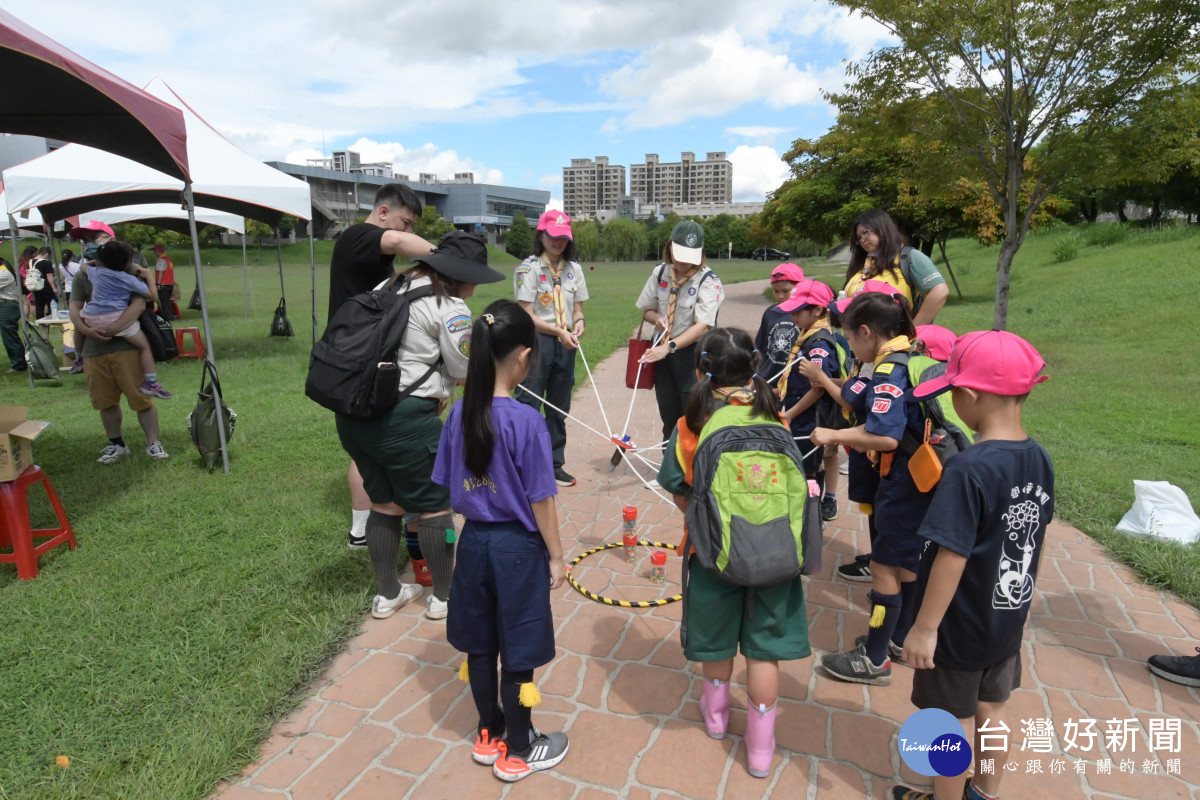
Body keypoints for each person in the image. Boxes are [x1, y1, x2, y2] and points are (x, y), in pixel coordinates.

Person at [890, 329, 1053, 800]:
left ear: (970, 395)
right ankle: (983, 793)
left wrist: (924, 628)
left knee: (945, 721)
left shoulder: (969, 468)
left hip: (958, 625)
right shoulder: (1038, 458)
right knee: (992, 709)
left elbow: (953, 553)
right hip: (1006, 618)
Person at [656, 327, 811, 780]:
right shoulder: (776, 420)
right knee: (763, 652)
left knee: (718, 639)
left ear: (702, 370)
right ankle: (761, 749)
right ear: (756, 365)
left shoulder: (691, 424)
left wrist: (702, 524)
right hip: (776, 556)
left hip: (712, 555)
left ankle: (717, 718)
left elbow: (678, 488)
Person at [431, 299, 569, 782]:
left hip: (473, 546)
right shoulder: (527, 422)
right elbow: (542, 502)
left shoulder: (457, 417)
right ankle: (519, 747)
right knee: (519, 644)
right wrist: (556, 557)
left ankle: (488, 731)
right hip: (516, 551)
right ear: (524, 358)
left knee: (481, 643)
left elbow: (448, 486)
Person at [334, 231, 503, 622]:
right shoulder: (451, 306)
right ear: (460, 274)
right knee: (435, 508)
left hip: (354, 415)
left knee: (385, 504)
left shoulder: (392, 282)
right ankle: (446, 595)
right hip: (405, 420)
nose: (476, 284)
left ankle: (388, 594)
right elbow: (465, 370)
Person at [811, 290, 932, 686]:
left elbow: (885, 438)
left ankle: (875, 656)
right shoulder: (914, 353)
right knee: (907, 564)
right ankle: (898, 638)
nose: (850, 347)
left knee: (883, 567)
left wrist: (833, 432)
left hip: (904, 480)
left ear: (866, 332)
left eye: (850, 339)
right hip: (924, 480)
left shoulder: (887, 372)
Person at [326, 183, 436, 559]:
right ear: (384, 212)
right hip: (353, 359)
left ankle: (378, 520)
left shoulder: (369, 250)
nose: (407, 233)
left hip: (360, 354)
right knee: (364, 450)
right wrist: (446, 257)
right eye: (405, 223)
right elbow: (401, 243)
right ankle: (361, 530)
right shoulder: (360, 235)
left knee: (368, 445)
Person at [68, 250, 169, 464]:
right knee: (105, 401)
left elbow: (138, 305)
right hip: (94, 350)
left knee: (140, 398)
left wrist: (113, 328)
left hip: (125, 347)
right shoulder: (84, 277)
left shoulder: (131, 272)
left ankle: (153, 442)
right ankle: (116, 443)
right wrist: (87, 332)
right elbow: (74, 308)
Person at [513, 210, 588, 487]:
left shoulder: (574, 269)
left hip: (565, 342)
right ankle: (524, 466)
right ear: (541, 235)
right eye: (553, 237)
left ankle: (555, 464)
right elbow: (526, 314)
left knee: (559, 406)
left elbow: (578, 309)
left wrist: (578, 324)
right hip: (537, 342)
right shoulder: (528, 269)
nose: (558, 243)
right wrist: (557, 331)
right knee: (529, 403)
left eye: (563, 238)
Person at [636, 220, 723, 440]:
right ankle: (670, 470)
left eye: (689, 257)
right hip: (663, 353)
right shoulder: (660, 273)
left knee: (693, 415)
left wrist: (670, 346)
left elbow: (702, 326)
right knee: (669, 414)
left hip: (691, 355)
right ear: (670, 248)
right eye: (679, 255)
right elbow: (646, 310)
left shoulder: (708, 280)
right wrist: (657, 319)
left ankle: (692, 471)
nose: (683, 262)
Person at [80, 240, 171, 400]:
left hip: (91, 317)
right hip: (115, 318)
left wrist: (98, 261)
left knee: (77, 322)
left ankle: (78, 357)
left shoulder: (97, 273)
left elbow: (83, 266)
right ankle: (151, 382)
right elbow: (153, 297)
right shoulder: (128, 279)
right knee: (144, 347)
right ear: (128, 263)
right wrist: (149, 276)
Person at [775, 279, 839, 493]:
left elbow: (818, 387)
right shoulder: (806, 334)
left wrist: (791, 413)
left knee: (807, 467)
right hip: (799, 408)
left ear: (818, 310)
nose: (793, 317)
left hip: (811, 414)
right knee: (803, 462)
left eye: (798, 311)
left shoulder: (819, 344)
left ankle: (811, 515)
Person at [844, 209, 949, 326]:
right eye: (859, 237)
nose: (863, 240)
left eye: (866, 232)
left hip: (896, 341)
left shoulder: (907, 257)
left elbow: (939, 291)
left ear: (882, 227)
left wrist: (914, 331)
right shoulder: (863, 264)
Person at [753, 262, 805, 383]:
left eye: (786, 291)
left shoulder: (806, 314)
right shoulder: (770, 312)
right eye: (776, 291)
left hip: (794, 380)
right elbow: (760, 347)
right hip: (768, 377)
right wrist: (756, 375)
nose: (780, 296)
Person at [0, 257, 27, 373]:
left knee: (9, 336)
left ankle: (18, 364)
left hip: (8, 306)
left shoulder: (4, 274)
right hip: (4, 305)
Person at [28, 247, 59, 320]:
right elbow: (49, 276)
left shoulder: (31, 261)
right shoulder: (45, 262)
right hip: (46, 287)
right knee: (52, 303)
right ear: (47, 254)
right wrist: (53, 288)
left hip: (36, 286)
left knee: (39, 305)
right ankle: (52, 318)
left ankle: (40, 320)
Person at [153, 245, 176, 320]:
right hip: (170, 284)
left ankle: (169, 316)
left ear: (158, 251)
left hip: (164, 284)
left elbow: (161, 272)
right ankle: (167, 314)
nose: (154, 253)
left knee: (164, 302)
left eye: (155, 251)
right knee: (166, 301)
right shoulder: (168, 259)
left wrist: (158, 284)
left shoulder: (161, 260)